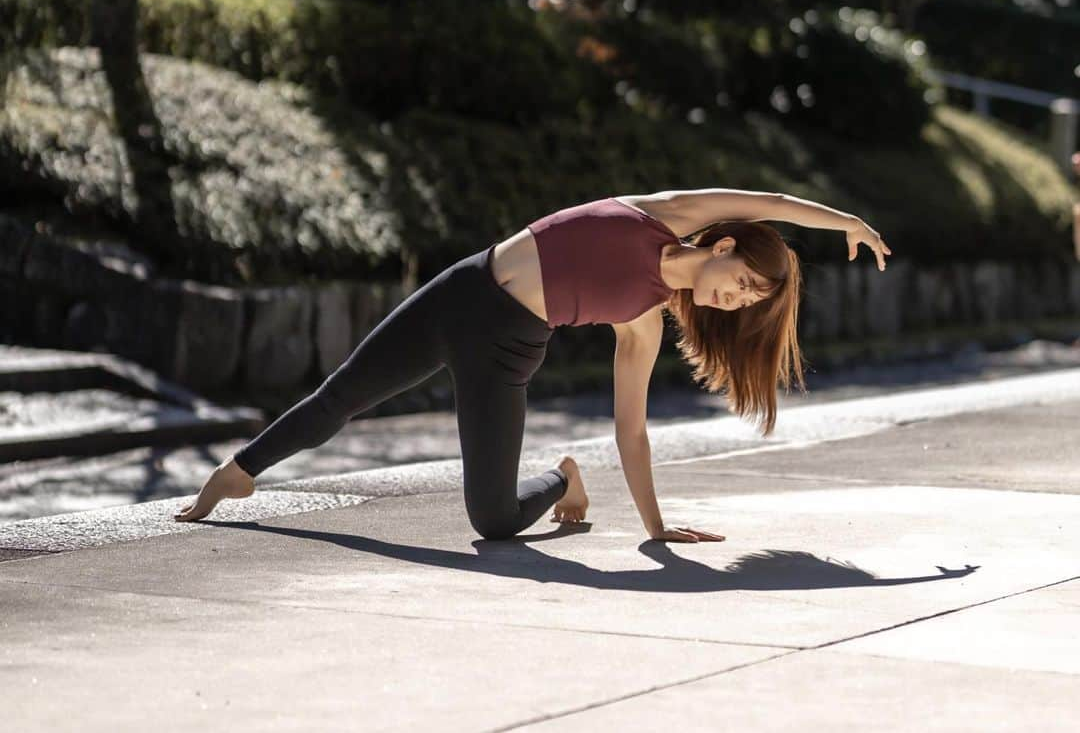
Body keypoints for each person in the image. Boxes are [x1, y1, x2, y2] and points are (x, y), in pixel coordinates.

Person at [174, 188, 890, 541]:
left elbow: (632, 432)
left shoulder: (644, 319)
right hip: (458, 293)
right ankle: (238, 476)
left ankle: (562, 478)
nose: (733, 302)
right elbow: (767, 200)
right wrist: (847, 223)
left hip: (506, 351)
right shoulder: (666, 214)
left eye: (745, 305)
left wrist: (655, 528)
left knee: (491, 522)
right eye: (741, 285)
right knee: (340, 400)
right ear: (726, 247)